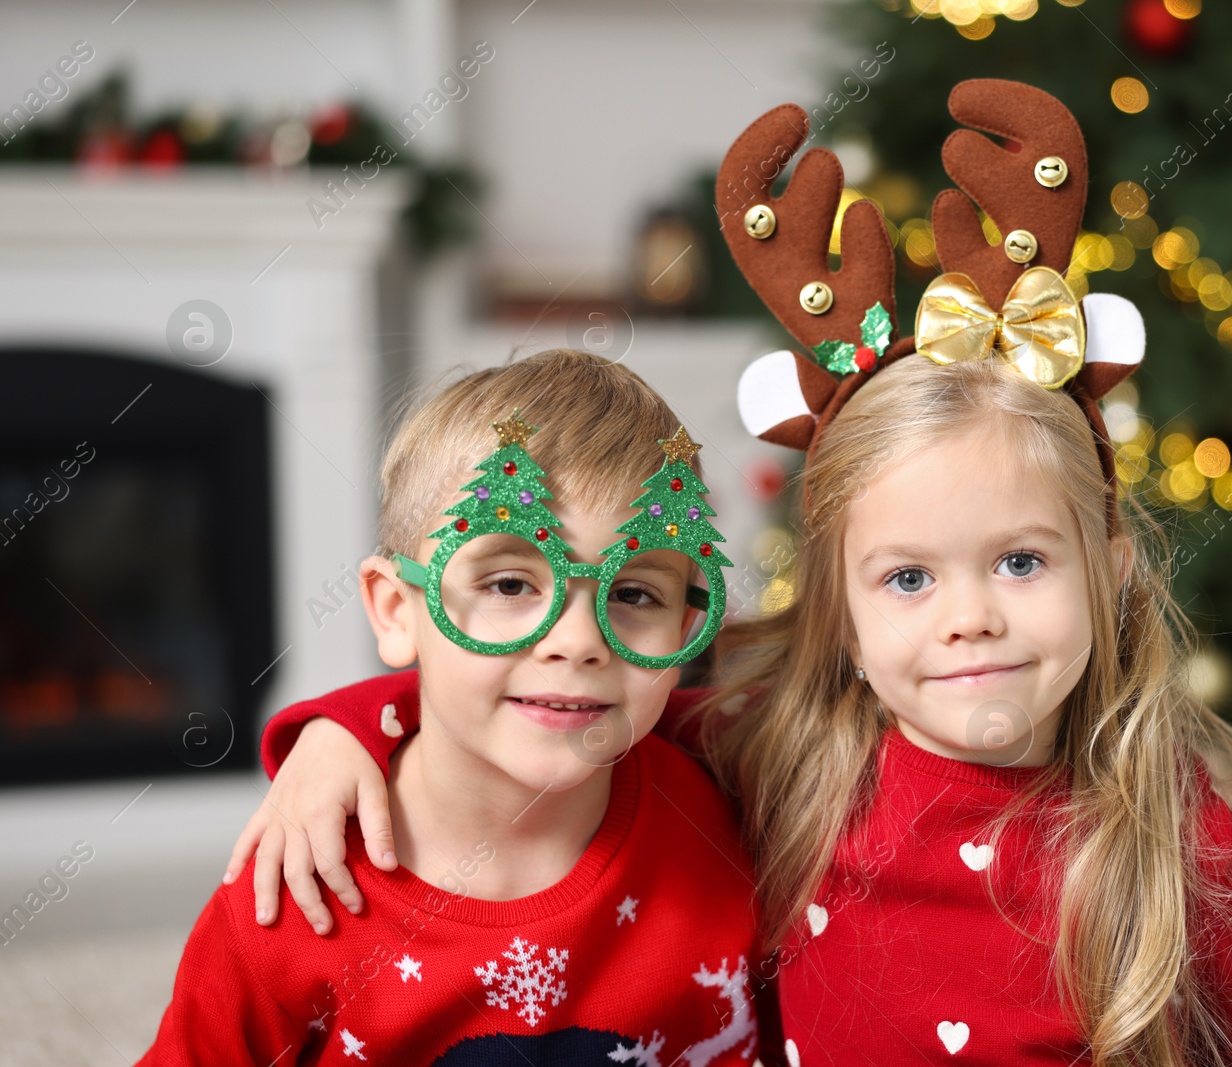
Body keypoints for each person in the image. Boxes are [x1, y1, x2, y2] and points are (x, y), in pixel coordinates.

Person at [229, 81, 1232, 1064]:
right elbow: (568, 694)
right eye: (906, 579)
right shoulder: (775, 750)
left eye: (1020, 560)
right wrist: (338, 730)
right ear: (834, 603)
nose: (970, 618)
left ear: (1112, 568)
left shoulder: (1173, 827)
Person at [140, 349, 764, 1066]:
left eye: (634, 594)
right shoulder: (300, 888)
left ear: (686, 631)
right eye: (507, 584)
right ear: (396, 609)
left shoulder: (730, 796)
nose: (579, 641)